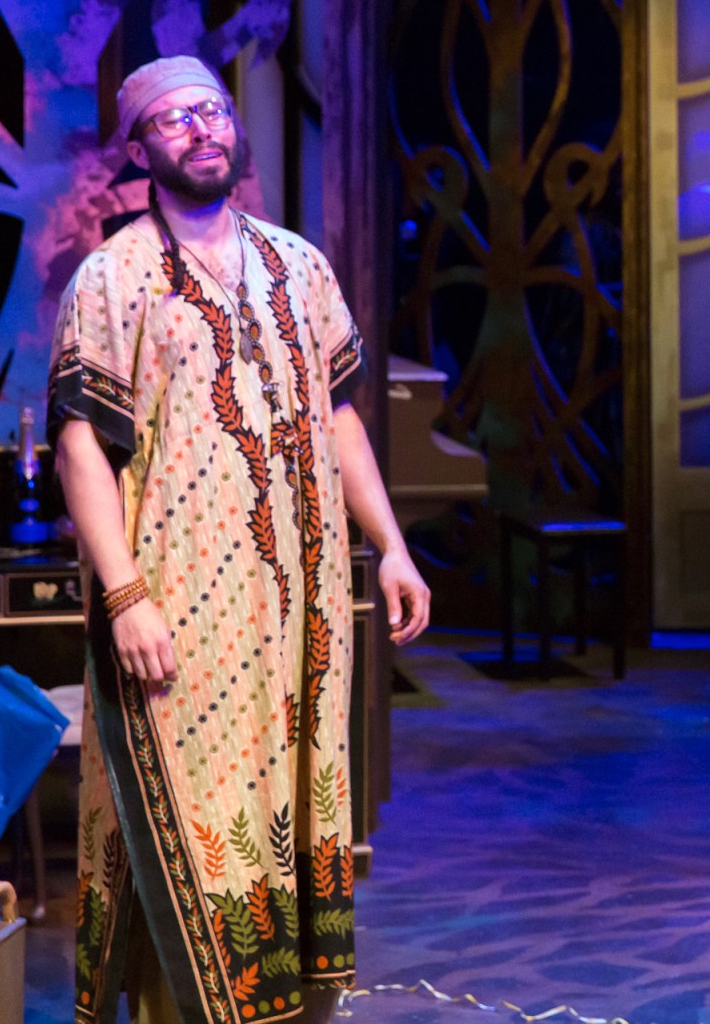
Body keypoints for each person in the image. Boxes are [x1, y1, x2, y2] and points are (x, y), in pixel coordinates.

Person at [49, 56, 432, 1024]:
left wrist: (390, 545)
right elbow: (80, 445)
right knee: (184, 809)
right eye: (174, 119)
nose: (202, 129)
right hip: (180, 608)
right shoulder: (115, 275)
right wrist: (124, 593)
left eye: (213, 110)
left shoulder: (299, 265)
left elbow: (337, 418)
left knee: (294, 803)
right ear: (140, 148)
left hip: (300, 609)